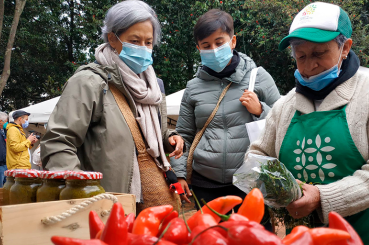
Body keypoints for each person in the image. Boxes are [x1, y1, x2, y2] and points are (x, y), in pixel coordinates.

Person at [246, 2, 369, 243]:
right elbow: (256, 155)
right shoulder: (285, 105)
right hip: (298, 237)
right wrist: (274, 190)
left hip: (362, 234)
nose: (309, 66)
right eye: (301, 56)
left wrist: (322, 196)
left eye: (319, 54)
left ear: (345, 47)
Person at [41, 0, 185, 203]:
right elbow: (58, 142)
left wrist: (170, 137)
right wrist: (79, 192)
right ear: (112, 39)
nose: (143, 48)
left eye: (148, 42)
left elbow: (146, 133)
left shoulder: (153, 86)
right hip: (109, 201)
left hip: (157, 196)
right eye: (135, 41)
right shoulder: (89, 82)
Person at [170, 9, 281, 214]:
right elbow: (183, 135)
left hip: (250, 180)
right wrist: (180, 175)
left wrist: (260, 110)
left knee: (252, 237)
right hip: (206, 181)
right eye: (206, 45)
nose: (213, 49)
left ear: (233, 41)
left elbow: (284, 121)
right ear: (199, 48)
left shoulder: (259, 77)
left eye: (219, 42)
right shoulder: (193, 87)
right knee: (210, 237)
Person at [0, 112, 8, 186]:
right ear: (0, 121)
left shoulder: (4, 132)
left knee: (6, 185)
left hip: (6, 163)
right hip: (0, 164)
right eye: (5, 121)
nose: (6, 123)